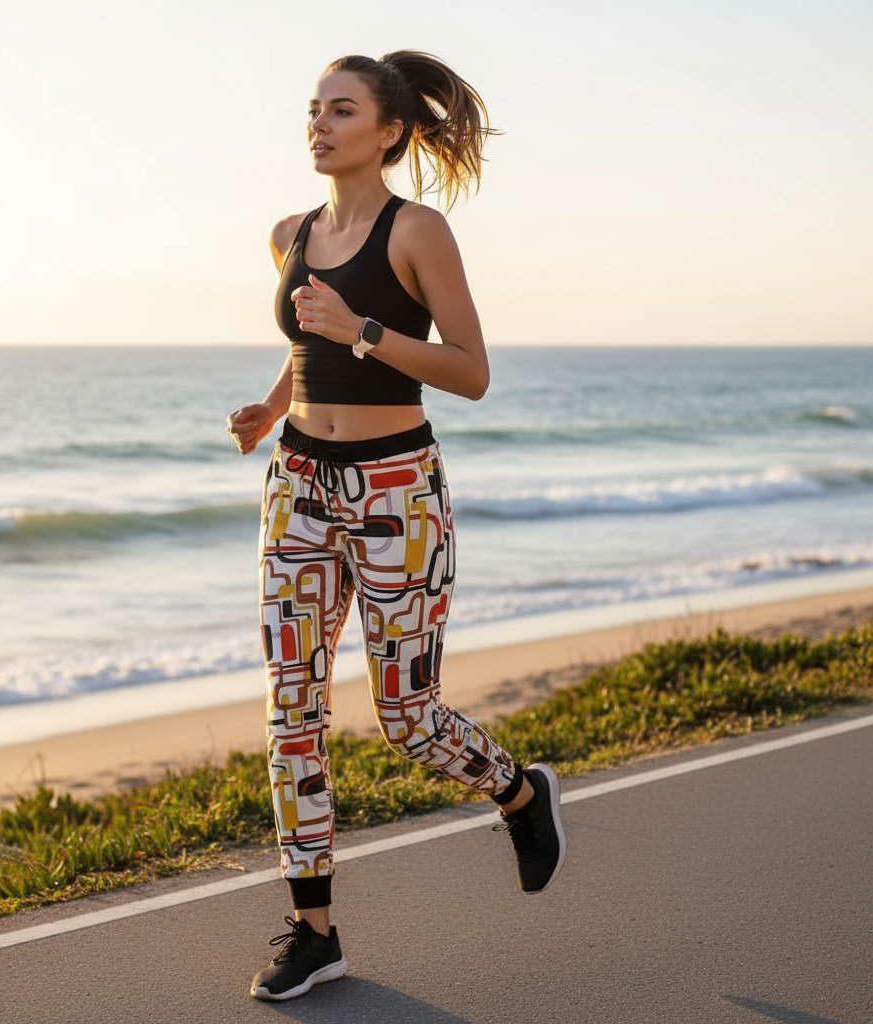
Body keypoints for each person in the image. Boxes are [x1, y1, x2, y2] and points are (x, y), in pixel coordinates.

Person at [226, 50, 565, 1002]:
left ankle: (518, 792)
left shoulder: (419, 231)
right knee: (291, 710)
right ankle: (314, 931)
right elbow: (305, 339)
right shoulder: (288, 232)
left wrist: (361, 332)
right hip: (298, 482)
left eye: (341, 111)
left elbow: (469, 370)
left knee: (408, 718)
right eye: (313, 110)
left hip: (395, 491)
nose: (320, 125)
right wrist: (270, 404)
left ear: (389, 132)